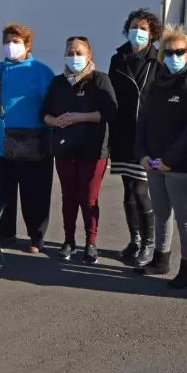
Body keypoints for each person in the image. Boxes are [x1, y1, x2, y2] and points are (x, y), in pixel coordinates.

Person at [0, 23, 55, 253]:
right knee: (4, 192)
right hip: (0, 146)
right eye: (7, 41)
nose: (10, 46)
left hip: (33, 146)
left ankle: (36, 238)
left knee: (34, 193)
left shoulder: (40, 71)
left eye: (15, 42)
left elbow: (54, 106)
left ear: (27, 45)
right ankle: (6, 233)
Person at [134, 26, 187, 288]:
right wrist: (141, 153)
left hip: (179, 166)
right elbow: (142, 121)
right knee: (161, 212)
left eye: (180, 52)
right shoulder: (155, 85)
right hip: (152, 162)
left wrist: (170, 159)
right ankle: (160, 259)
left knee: (184, 217)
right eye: (169, 52)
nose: (174, 57)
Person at [42, 36, 117, 263]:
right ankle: (69, 240)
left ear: (89, 54)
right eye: (70, 52)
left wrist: (78, 117)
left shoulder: (99, 80)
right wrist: (55, 122)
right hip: (64, 150)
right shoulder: (57, 83)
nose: (74, 57)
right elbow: (44, 114)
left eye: (78, 52)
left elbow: (110, 113)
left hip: (93, 151)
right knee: (68, 197)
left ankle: (91, 242)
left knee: (89, 199)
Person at [109, 8, 163, 266]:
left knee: (142, 190)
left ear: (152, 33)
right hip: (123, 133)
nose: (137, 32)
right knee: (128, 190)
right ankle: (135, 239)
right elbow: (110, 95)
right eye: (133, 26)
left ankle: (149, 245)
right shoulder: (118, 59)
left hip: (148, 134)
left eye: (143, 28)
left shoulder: (159, 59)